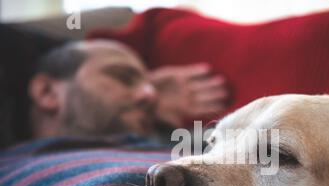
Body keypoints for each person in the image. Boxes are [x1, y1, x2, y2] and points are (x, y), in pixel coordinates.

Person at [28, 39, 229, 141]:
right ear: (47, 92)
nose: (151, 95)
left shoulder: (177, 146)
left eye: (150, 86)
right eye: (123, 77)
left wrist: (166, 129)